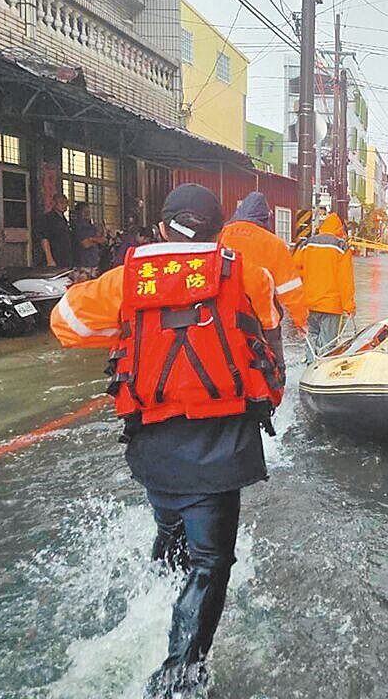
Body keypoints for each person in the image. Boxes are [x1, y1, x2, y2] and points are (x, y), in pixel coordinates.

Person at [49, 184, 284, 698]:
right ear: (220, 230)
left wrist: (132, 322)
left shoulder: (126, 280)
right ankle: (178, 677)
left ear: (160, 227)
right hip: (222, 441)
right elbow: (267, 328)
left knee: (172, 529)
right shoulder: (248, 273)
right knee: (211, 562)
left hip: (152, 441)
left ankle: (155, 598)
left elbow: (63, 324)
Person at [219, 191, 308, 378]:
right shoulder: (274, 243)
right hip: (263, 319)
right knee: (272, 369)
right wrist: (301, 322)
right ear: (266, 217)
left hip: (222, 316)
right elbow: (290, 289)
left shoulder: (221, 235)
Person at [293, 213, 355, 354]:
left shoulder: (306, 244)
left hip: (309, 303)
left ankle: (309, 367)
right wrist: (349, 306)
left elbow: (295, 272)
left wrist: (298, 301)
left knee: (311, 338)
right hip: (331, 306)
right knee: (328, 344)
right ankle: (322, 370)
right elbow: (345, 280)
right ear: (339, 230)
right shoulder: (341, 247)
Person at [70, 202, 106, 276]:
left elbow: (103, 240)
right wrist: (95, 240)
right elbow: (85, 244)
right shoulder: (76, 226)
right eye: (84, 211)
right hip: (82, 264)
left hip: (94, 262)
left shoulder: (91, 226)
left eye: (88, 211)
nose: (87, 213)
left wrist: (91, 239)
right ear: (79, 213)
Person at [38, 193, 73, 268]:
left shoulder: (64, 219)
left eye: (66, 202)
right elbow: (45, 239)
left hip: (65, 257)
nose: (64, 205)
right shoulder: (48, 218)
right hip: (55, 255)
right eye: (61, 202)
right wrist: (49, 259)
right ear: (54, 203)